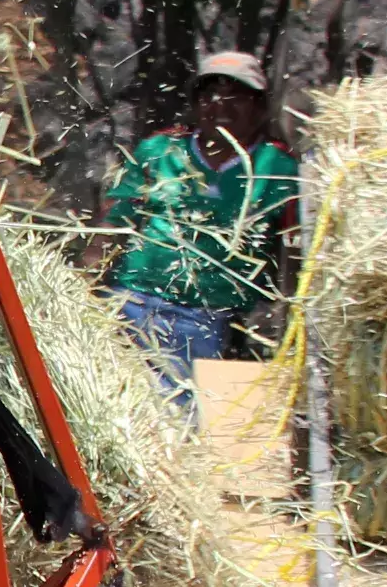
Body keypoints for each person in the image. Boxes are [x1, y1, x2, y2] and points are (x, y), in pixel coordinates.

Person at [94, 50, 298, 402]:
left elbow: (293, 250)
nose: (221, 105)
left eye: (236, 96)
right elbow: (113, 223)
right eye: (210, 95)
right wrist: (85, 290)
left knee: (184, 421)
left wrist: (283, 319)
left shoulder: (278, 167)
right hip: (133, 305)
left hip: (213, 322)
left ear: (260, 108)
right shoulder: (160, 150)